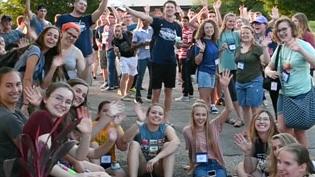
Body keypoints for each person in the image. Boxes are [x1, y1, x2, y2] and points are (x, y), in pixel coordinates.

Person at [125, 0, 182, 123]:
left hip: (171, 62)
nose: (170, 9)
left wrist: (179, 45)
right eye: (168, 7)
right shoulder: (158, 22)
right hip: (157, 61)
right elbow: (144, 16)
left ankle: (166, 118)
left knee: (169, 91)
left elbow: (178, 43)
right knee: (156, 91)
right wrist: (130, 10)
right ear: (164, 10)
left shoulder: (178, 26)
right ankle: (153, 117)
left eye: (172, 7)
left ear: (175, 10)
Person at [264, 17, 315, 147]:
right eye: (279, 30)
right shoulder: (280, 48)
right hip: (284, 94)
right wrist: (269, 72)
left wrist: (301, 51)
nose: (282, 32)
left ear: (292, 29)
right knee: (282, 128)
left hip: (301, 94)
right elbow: (269, 65)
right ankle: (292, 153)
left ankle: (304, 160)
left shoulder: (304, 45)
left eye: (284, 29)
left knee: (299, 131)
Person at [182, 71, 234, 177]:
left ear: (207, 116)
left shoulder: (214, 125)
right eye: (197, 115)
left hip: (216, 163)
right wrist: (191, 165)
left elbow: (229, 109)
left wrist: (225, 88)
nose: (200, 118)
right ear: (193, 115)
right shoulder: (187, 130)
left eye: (203, 115)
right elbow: (191, 150)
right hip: (200, 165)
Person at [56, 0, 109, 84]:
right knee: (65, 85)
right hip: (67, 55)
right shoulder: (63, 18)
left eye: (85, 5)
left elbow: (100, 10)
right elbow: (57, 35)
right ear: (74, 4)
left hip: (85, 57)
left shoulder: (87, 19)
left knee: (83, 86)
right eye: (81, 3)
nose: (83, 6)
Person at [121, 103, 180, 177]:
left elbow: (176, 143)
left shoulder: (166, 128)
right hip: (142, 165)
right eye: (153, 112)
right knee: (134, 144)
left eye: (160, 114)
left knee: (169, 145)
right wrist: (138, 122)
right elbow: (124, 140)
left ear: (163, 118)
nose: (157, 115)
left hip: (158, 165)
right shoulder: (140, 127)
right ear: (147, 114)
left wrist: (156, 158)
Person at [235, 25, 270, 131]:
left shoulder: (257, 48)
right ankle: (248, 130)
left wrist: (264, 48)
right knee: (245, 108)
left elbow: (266, 62)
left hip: (254, 81)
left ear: (252, 34)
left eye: (247, 33)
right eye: (243, 33)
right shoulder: (238, 48)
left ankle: (258, 131)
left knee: (255, 108)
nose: (245, 35)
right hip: (240, 82)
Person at [0, 67, 27, 177]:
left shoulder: (16, 112)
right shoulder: (7, 118)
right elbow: (35, 153)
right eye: (9, 85)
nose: (15, 90)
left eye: (18, 84)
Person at [234, 110, 278, 177]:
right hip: (266, 174)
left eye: (265, 119)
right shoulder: (256, 142)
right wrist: (248, 153)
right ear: (253, 123)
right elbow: (249, 170)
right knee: (240, 166)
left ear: (271, 123)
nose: (261, 122)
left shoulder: (276, 141)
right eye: (258, 119)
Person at [218, 12, 243, 126]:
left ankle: (228, 116)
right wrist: (221, 49)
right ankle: (240, 118)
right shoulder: (220, 34)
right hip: (225, 67)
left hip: (236, 66)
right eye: (229, 21)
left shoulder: (236, 34)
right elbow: (216, 51)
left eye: (233, 21)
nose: (232, 23)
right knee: (232, 92)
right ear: (225, 22)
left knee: (235, 92)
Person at [91, 100, 127, 177]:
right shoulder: (92, 125)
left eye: (111, 111)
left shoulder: (115, 126)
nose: (108, 114)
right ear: (98, 114)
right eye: (105, 111)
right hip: (93, 162)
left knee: (121, 174)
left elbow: (123, 148)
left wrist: (117, 126)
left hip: (110, 163)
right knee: (94, 144)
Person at [194, 19, 219, 109]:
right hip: (204, 72)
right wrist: (201, 51)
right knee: (204, 100)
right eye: (207, 28)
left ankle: (205, 121)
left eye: (211, 27)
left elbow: (215, 58)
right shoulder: (200, 42)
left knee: (207, 100)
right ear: (203, 30)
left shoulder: (213, 41)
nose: (209, 29)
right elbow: (197, 61)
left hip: (212, 73)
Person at [112, 23, 137, 99]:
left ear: (121, 31)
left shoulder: (128, 34)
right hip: (123, 58)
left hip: (133, 57)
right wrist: (116, 53)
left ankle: (127, 92)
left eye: (118, 31)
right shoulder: (114, 41)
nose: (117, 33)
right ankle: (123, 95)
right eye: (115, 31)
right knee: (125, 74)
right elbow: (117, 54)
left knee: (132, 76)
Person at [132, 19, 153, 104]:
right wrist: (142, 44)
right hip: (141, 56)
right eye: (143, 21)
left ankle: (150, 94)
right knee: (140, 76)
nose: (146, 22)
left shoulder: (151, 30)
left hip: (151, 56)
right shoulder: (136, 32)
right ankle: (137, 96)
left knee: (153, 76)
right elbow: (133, 45)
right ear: (140, 22)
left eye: (147, 21)